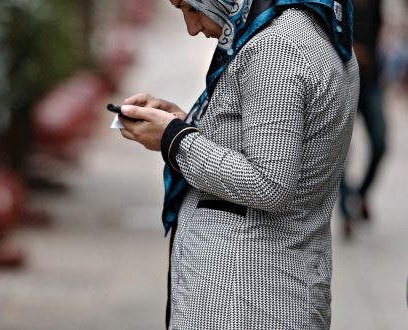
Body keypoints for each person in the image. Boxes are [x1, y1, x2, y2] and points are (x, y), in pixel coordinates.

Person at [118, 0, 358, 328]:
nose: (192, 28)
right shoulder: (308, 26)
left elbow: (268, 183)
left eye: (190, 7)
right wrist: (184, 124)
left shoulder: (277, 48)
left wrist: (174, 139)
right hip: (262, 287)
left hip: (245, 297)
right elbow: (268, 142)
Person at [339, 0, 386, 238]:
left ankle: (360, 194)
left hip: (371, 83)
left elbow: (379, 33)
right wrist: (353, 49)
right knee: (340, 150)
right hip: (344, 80)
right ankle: (346, 210)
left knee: (380, 144)